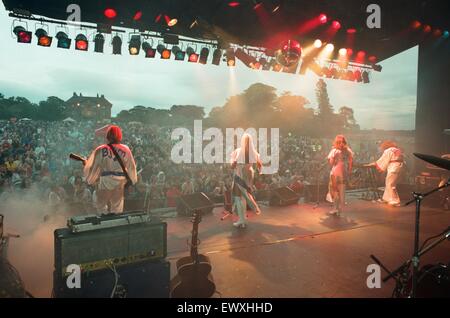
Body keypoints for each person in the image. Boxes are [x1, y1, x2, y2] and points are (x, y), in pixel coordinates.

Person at [83, 125, 137, 213]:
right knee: (117, 207)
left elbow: (94, 167)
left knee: (101, 204)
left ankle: (103, 222)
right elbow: (132, 167)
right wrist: (133, 180)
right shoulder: (126, 149)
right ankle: (116, 223)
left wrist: (90, 180)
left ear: (107, 136)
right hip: (120, 181)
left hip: (105, 179)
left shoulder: (100, 149)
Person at [230, 133, 262, 229]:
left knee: (238, 198)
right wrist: (256, 171)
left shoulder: (238, 151)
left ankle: (241, 220)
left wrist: (234, 165)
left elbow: (232, 166)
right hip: (248, 175)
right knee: (245, 197)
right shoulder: (254, 152)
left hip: (239, 175)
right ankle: (243, 220)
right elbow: (260, 165)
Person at [368, 141, 404, 207]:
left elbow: (383, 159)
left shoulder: (388, 150)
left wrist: (375, 163)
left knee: (390, 184)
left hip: (393, 167)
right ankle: (386, 198)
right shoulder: (397, 149)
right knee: (389, 182)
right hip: (398, 167)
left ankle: (395, 200)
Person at [326, 135, 354, 216]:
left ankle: (335, 208)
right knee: (342, 190)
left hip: (335, 171)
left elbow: (331, 163)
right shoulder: (348, 151)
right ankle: (340, 207)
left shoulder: (334, 151)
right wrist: (348, 169)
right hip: (344, 171)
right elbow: (351, 162)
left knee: (335, 190)